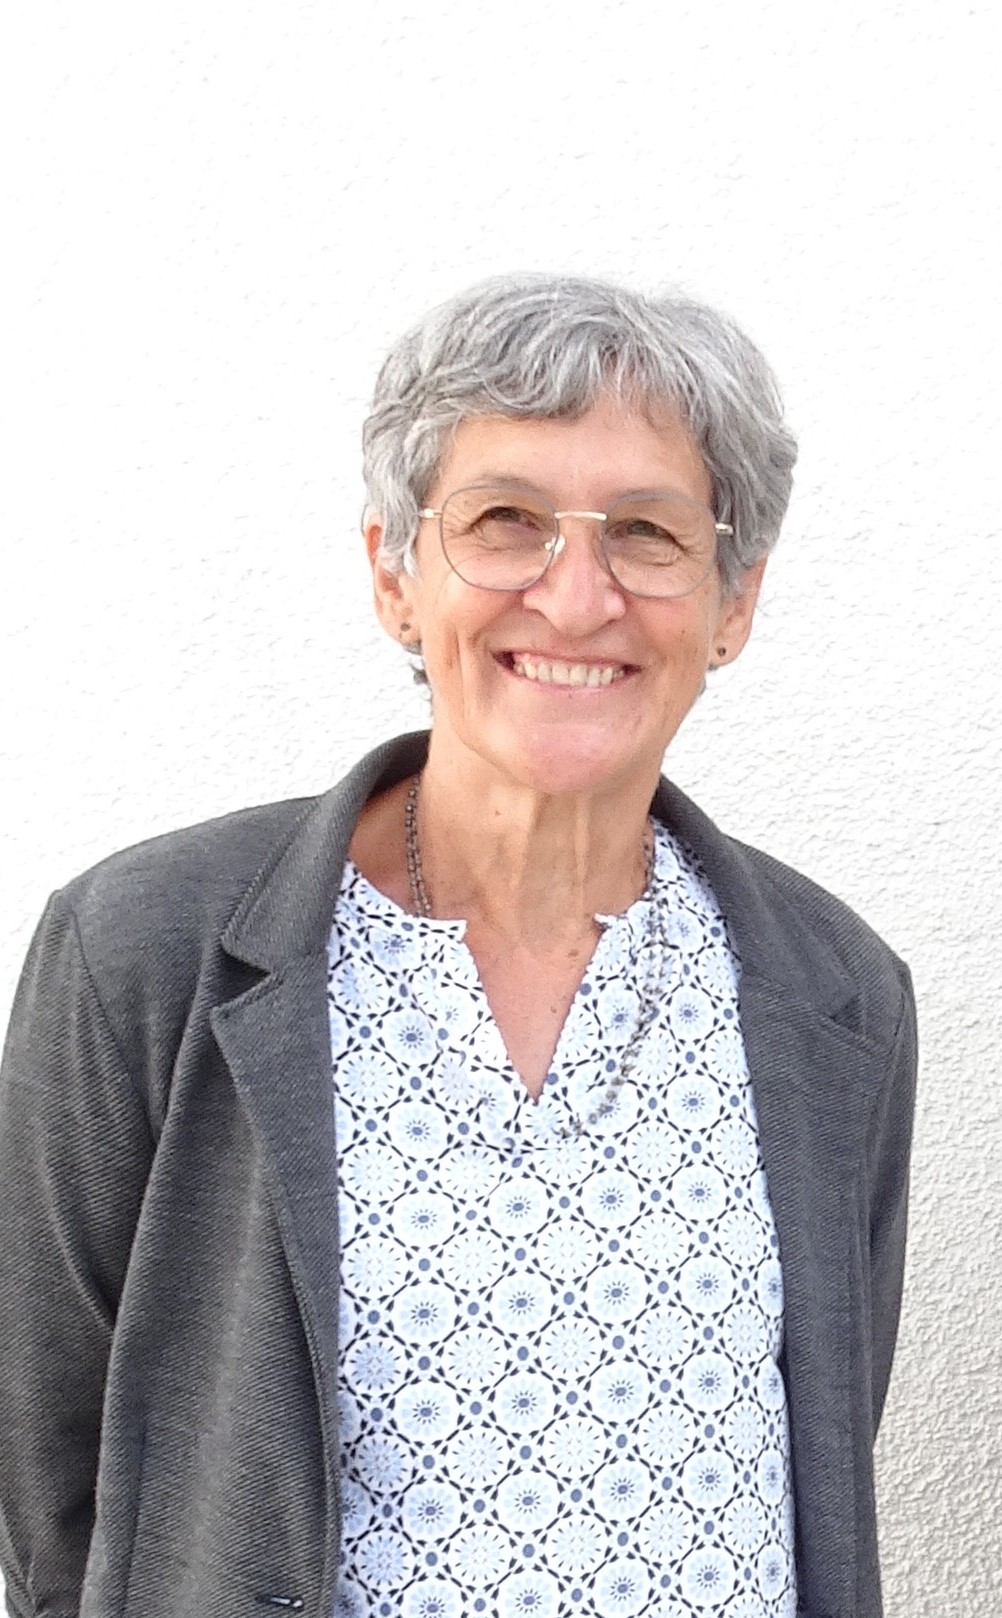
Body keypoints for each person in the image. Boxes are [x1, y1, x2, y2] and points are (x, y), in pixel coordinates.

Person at [0, 275, 916, 1618]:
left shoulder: (836, 996)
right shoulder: (138, 954)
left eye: (647, 533)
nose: (577, 596)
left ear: (732, 602)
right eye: (505, 521)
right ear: (395, 573)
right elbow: (57, 1491)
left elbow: (824, 1441)